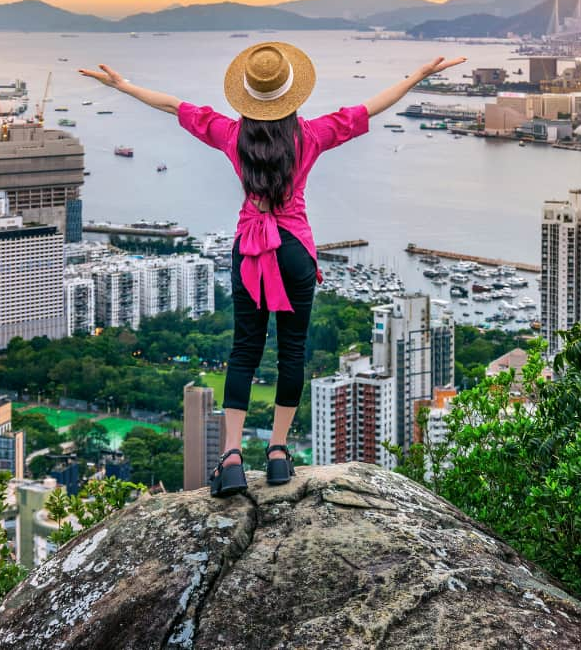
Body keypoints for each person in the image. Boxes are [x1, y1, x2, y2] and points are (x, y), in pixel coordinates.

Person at [82, 42, 464, 496]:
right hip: (295, 251)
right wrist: (417, 76)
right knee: (292, 352)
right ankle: (279, 454)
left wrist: (123, 86)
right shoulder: (312, 134)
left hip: (250, 250)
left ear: (247, 94)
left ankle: (231, 459)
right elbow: (371, 107)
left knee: (244, 351)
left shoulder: (230, 134)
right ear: (291, 92)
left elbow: (172, 105)